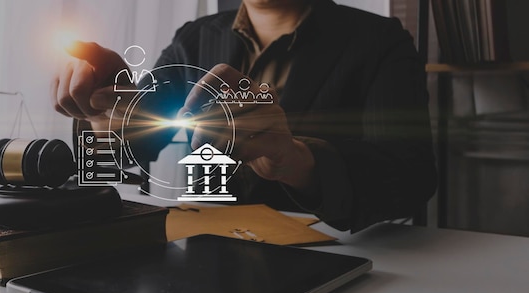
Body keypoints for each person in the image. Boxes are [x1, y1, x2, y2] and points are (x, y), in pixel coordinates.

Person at [52, 0, 437, 232]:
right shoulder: (194, 37)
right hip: (199, 252)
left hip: (331, 258)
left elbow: (412, 177)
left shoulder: (379, 40)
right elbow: (140, 141)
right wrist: (108, 114)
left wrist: (299, 161)